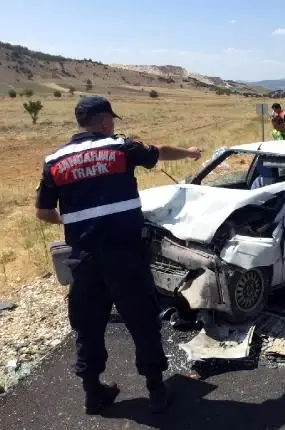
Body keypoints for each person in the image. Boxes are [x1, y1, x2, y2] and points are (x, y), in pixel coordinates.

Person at [34, 96, 202, 415]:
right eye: (111, 119)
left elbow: (43, 212)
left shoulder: (54, 160)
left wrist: (73, 220)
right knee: (142, 322)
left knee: (87, 326)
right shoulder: (120, 148)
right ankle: (156, 390)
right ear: (101, 120)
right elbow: (161, 151)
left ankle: (93, 393)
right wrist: (191, 152)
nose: (113, 124)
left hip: (83, 260)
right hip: (126, 257)